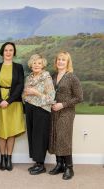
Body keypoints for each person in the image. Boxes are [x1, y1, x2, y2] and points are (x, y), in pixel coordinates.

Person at [48, 51, 83, 180]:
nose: (60, 62)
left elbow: (79, 98)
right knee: (56, 136)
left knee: (64, 138)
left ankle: (69, 167)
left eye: (63, 60)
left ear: (68, 62)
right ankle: (59, 164)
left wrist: (62, 105)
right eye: (59, 59)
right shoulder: (53, 75)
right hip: (53, 111)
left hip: (66, 112)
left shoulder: (72, 77)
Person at [0, 42, 26, 171]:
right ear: (2, 52)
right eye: (6, 50)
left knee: (11, 131)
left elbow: (20, 85)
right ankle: (2, 158)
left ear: (14, 52)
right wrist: (0, 100)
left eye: (10, 50)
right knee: (1, 132)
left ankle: (9, 158)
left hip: (14, 103)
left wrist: (9, 100)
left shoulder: (18, 67)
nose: (8, 52)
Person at [22, 54, 55, 175]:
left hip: (41, 110)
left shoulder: (46, 77)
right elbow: (25, 93)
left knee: (40, 137)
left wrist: (36, 92)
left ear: (43, 65)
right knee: (32, 136)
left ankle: (41, 165)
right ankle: (37, 162)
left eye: (39, 63)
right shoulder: (29, 77)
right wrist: (25, 95)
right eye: (34, 63)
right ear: (31, 65)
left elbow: (51, 97)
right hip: (30, 108)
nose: (36, 65)